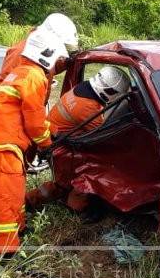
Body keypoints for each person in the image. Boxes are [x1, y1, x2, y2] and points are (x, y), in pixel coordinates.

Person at [0, 19, 79, 256]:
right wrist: (46, 143)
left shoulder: (25, 69)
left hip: (7, 135)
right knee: (8, 194)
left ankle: (18, 229)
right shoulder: (34, 77)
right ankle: (4, 250)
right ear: (49, 53)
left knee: (14, 187)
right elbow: (34, 119)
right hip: (6, 137)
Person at [26, 66, 130, 216]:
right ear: (108, 90)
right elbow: (105, 137)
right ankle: (76, 208)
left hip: (52, 141)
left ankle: (30, 201)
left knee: (62, 184)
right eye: (116, 94)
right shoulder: (88, 107)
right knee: (83, 177)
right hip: (60, 149)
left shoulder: (81, 88)